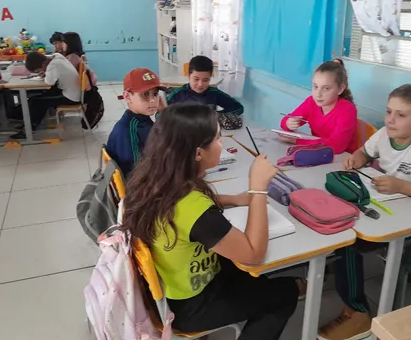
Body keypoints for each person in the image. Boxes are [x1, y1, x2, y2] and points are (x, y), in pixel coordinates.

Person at [121, 103, 300, 339]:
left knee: (251, 274)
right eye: (217, 138)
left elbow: (192, 208)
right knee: (285, 293)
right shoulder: (196, 211)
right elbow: (254, 254)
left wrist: (233, 199)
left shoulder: (154, 178)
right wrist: (258, 189)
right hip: (192, 307)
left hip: (171, 289)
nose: (222, 143)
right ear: (198, 153)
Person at [319, 84, 411, 340]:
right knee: (339, 217)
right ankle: (331, 271)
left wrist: (402, 186)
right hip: (390, 207)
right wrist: (357, 157)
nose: (390, 120)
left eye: (401, 115)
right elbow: (365, 151)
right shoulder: (385, 134)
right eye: (388, 112)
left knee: (348, 242)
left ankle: (358, 312)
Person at [279, 59, 358, 154]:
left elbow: (337, 146)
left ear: (340, 89)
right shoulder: (311, 102)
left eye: (326, 88)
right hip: (319, 153)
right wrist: (288, 123)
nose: (318, 94)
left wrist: (295, 141)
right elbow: (285, 120)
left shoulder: (347, 110)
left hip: (344, 159)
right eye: (315, 87)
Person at [106, 68, 166, 177]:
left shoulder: (141, 119)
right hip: (141, 187)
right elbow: (137, 172)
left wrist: (162, 114)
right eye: (145, 94)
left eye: (155, 94)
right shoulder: (128, 131)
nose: (153, 100)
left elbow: (159, 137)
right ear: (128, 97)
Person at [10, 51, 82, 139]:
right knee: (37, 99)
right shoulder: (57, 57)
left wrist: (46, 73)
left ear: (40, 64)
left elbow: (49, 82)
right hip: (73, 92)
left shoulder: (53, 65)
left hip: (70, 96)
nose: (38, 71)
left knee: (37, 102)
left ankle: (28, 130)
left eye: (37, 70)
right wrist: (46, 73)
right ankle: (29, 124)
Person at [166, 55, 243, 117]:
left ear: (210, 78)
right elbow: (160, 114)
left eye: (205, 80)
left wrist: (216, 115)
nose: (200, 84)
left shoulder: (214, 93)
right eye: (196, 79)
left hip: (208, 133)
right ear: (189, 76)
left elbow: (238, 108)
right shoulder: (178, 94)